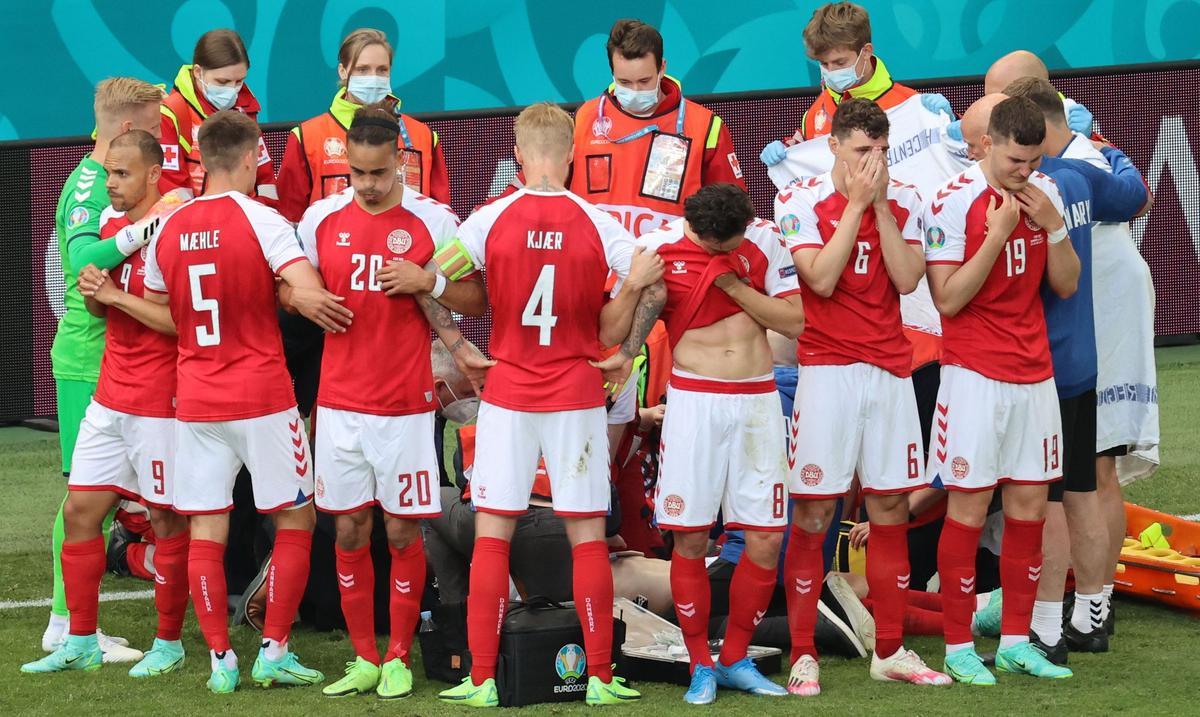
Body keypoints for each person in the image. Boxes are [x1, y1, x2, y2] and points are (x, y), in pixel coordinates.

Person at [431, 102, 665, 708]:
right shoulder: (597, 221)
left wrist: (459, 346)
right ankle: (600, 678)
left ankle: (482, 679)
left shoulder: (488, 220)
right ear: (571, 154)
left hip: (507, 393)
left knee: (492, 534)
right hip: (575, 395)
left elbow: (431, 280)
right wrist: (628, 352)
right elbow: (655, 284)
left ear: (516, 149)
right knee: (586, 533)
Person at [142, 110, 348, 694]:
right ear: (253, 154)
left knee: (207, 525)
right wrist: (285, 289)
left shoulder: (173, 227)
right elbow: (309, 291)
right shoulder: (264, 220)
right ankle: (274, 649)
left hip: (198, 399)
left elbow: (165, 311)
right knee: (296, 517)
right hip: (262, 396)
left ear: (203, 157)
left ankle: (218, 659)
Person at [291, 104, 475, 699]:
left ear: (401, 158)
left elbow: (477, 293)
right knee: (349, 530)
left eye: (377, 173)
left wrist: (430, 282)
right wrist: (304, 300)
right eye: (357, 174)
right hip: (340, 405)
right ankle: (364, 657)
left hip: (406, 407)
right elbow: (285, 282)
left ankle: (398, 656)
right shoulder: (319, 219)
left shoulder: (435, 222)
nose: (367, 186)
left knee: (401, 533)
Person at [774, 98, 949, 694]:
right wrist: (855, 206)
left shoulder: (907, 200)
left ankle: (891, 650)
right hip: (826, 374)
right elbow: (818, 279)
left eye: (880, 152)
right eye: (860, 152)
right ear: (835, 148)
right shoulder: (798, 200)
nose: (873, 164)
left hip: (891, 373)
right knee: (816, 511)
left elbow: (906, 280)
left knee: (891, 508)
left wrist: (880, 208)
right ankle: (803, 653)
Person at [922, 96, 1081, 685]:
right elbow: (947, 299)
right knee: (965, 507)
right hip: (973, 377)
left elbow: (1065, 285)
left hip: (1034, 375)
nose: (1025, 171)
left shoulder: (1045, 192)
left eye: (1034, 159)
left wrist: (1054, 225)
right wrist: (997, 236)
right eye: (1016, 160)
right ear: (988, 144)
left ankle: (1016, 639)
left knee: (1030, 509)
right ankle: (959, 646)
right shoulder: (953, 199)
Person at [22, 131, 188, 677]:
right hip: (110, 395)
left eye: (122, 175)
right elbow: (100, 315)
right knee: (80, 510)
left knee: (165, 520)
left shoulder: (175, 232)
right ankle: (79, 640)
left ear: (152, 176)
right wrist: (98, 295)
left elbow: (178, 324)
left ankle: (169, 643)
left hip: (159, 401)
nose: (110, 184)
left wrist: (114, 294)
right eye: (109, 173)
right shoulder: (112, 232)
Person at [1000, 77, 1150, 662]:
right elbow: (1133, 197)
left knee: (1048, 501)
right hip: (1083, 359)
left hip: (1042, 364)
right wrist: (1106, 146)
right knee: (1085, 489)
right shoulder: (1081, 173)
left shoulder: (1029, 191)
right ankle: (1091, 613)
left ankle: (1044, 628)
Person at [635, 184, 803, 704]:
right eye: (711, 247)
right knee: (688, 537)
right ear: (694, 229)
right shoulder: (657, 249)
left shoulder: (763, 243)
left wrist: (733, 286)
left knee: (766, 538)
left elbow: (796, 321)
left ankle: (734, 657)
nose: (718, 253)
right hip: (693, 405)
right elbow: (624, 324)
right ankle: (700, 664)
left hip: (757, 401)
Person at [43, 76, 165, 662]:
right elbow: (85, 257)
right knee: (85, 499)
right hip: (90, 356)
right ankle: (65, 625)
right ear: (125, 130)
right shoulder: (92, 185)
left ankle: (71, 623)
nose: (161, 136)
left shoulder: (98, 179)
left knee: (100, 498)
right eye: (153, 126)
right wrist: (148, 228)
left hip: (107, 355)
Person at [570, 19, 745, 237]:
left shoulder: (705, 126)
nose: (635, 90)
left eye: (644, 81)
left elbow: (731, 214)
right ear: (612, 72)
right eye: (624, 82)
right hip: (599, 264)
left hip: (674, 264)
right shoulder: (584, 118)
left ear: (662, 68)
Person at [276, 28, 450, 223]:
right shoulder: (307, 137)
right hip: (334, 250)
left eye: (382, 70)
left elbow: (441, 217)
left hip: (406, 248)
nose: (373, 78)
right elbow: (289, 219)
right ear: (343, 71)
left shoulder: (423, 136)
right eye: (363, 69)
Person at [760, 2, 953, 165]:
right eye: (823, 63)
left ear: (867, 51)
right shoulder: (814, 114)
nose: (831, 71)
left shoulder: (911, 103)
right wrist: (786, 153)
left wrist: (952, 123)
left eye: (840, 62)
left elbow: (962, 157)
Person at [159, 29, 275, 200]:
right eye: (223, 82)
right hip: (191, 222)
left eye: (239, 81)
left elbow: (264, 177)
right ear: (198, 72)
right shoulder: (172, 113)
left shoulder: (245, 108)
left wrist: (262, 215)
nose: (232, 90)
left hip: (244, 220)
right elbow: (171, 189)